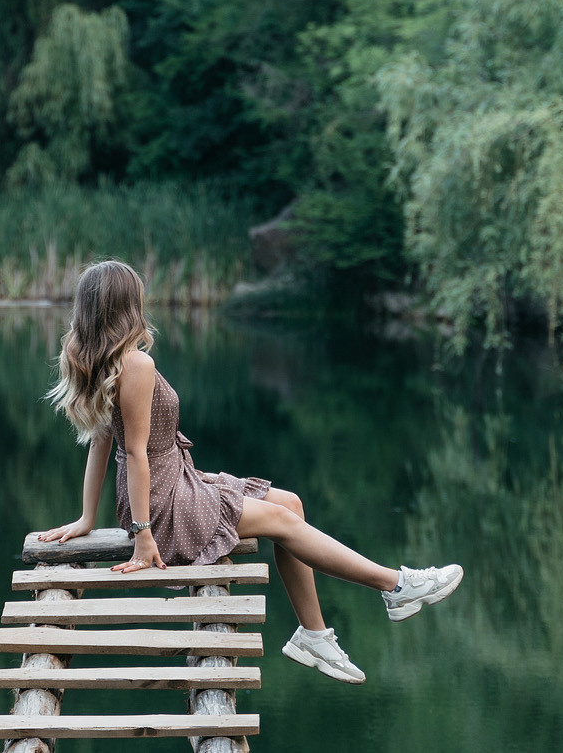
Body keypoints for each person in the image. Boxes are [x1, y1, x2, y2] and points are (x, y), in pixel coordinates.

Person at [35, 259, 463, 684]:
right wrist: (143, 535)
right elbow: (134, 453)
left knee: (290, 503)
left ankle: (313, 635)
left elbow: (100, 444)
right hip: (165, 506)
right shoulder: (136, 365)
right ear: (125, 306)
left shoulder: (110, 363)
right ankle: (395, 586)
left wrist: (88, 518)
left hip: (173, 485)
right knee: (280, 520)